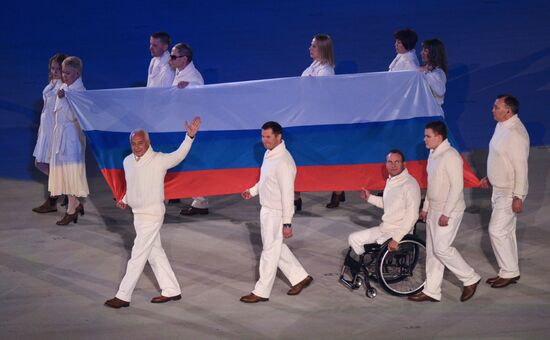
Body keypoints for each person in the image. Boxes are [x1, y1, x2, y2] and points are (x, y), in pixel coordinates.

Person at [104, 117, 202, 309]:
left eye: (140, 143)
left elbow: (179, 155)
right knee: (155, 253)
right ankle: (171, 290)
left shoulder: (159, 160)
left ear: (148, 143)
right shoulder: (127, 162)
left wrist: (189, 137)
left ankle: (123, 295)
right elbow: (132, 185)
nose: (137, 147)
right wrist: (124, 199)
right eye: (133, 143)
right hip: (137, 215)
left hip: (153, 214)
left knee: (138, 254)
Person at [240, 121, 312, 303]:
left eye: (268, 137)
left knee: (269, 252)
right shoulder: (269, 154)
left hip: (276, 213)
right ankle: (300, 277)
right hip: (267, 210)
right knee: (275, 248)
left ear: (279, 137)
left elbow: (289, 196)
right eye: (263, 137)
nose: (265, 140)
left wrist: (287, 223)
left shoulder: (284, 162)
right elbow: (265, 180)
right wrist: (252, 191)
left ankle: (261, 291)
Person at [408, 121, 481, 302]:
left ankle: (470, 278)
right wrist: (425, 208)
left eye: (428, 136)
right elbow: (432, 185)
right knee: (432, 251)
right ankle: (432, 290)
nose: (424, 139)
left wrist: (447, 213)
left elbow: (457, 187)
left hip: (450, 210)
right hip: (434, 209)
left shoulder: (451, 156)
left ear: (439, 137)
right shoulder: (433, 154)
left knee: (441, 248)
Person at [480, 94, 529, 288]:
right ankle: (510, 271)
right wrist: (489, 178)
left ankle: (508, 272)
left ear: (507, 111)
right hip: (499, 188)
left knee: (497, 230)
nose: (492, 110)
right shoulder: (501, 125)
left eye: (496, 107)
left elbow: (521, 168)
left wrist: (518, 197)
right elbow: (499, 158)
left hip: (509, 191)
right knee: (506, 231)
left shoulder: (515, 134)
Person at [348, 150, 420, 255]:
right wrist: (369, 198)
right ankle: (367, 263)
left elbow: (412, 215)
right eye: (390, 162)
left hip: (400, 231)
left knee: (378, 244)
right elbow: (389, 203)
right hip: (385, 228)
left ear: (404, 164)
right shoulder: (391, 180)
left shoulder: (410, 185)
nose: (393, 165)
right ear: (386, 164)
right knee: (353, 238)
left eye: (397, 162)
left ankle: (376, 262)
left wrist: (396, 238)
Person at [299, 33, 339, 210]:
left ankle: (339, 188)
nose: (310, 48)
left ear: (322, 48)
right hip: (308, 118)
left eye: (314, 46)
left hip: (321, 122)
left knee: (324, 158)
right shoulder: (314, 66)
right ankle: (296, 196)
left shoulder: (326, 71)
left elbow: (320, 97)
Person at [168, 42, 209, 216]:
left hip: (189, 128)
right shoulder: (180, 72)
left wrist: (190, 89)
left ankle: (200, 201)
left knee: (189, 162)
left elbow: (199, 95)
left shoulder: (193, 78)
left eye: (173, 56)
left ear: (184, 59)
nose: (170, 59)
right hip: (179, 124)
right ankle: (180, 192)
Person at [48, 56, 88, 225]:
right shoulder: (64, 87)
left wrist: (67, 98)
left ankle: (71, 210)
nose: (64, 76)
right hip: (60, 136)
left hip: (71, 138)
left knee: (71, 172)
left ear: (77, 73)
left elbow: (76, 117)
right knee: (63, 172)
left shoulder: (80, 92)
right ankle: (76, 205)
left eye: (68, 73)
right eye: (63, 72)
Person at [32, 53, 67, 213]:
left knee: (47, 163)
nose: (54, 71)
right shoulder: (53, 83)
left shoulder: (64, 87)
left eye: (58, 69)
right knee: (42, 163)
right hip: (45, 129)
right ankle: (65, 190)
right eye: (52, 68)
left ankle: (53, 199)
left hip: (53, 129)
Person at [418, 39, 447, 106]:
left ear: (433, 53)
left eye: (425, 51)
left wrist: (427, 74)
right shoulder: (424, 70)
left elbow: (440, 91)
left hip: (433, 114)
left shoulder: (439, 73)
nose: (421, 53)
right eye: (423, 50)